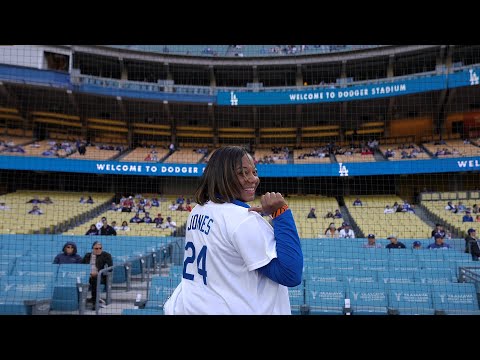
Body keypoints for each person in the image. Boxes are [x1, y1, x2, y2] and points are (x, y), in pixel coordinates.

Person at [163, 146, 303, 315]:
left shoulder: (198, 210)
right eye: (242, 173)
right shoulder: (244, 220)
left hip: (191, 307)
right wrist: (281, 214)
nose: (253, 179)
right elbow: (290, 274)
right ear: (223, 176)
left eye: (254, 172)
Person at [82, 241, 113, 310]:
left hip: (99, 276)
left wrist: (99, 272)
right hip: (87, 275)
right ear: (92, 249)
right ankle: (80, 301)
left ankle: (95, 303)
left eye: (100, 248)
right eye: (96, 248)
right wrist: (88, 273)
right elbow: (82, 266)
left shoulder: (106, 255)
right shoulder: (87, 255)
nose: (98, 250)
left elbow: (110, 268)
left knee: (95, 280)